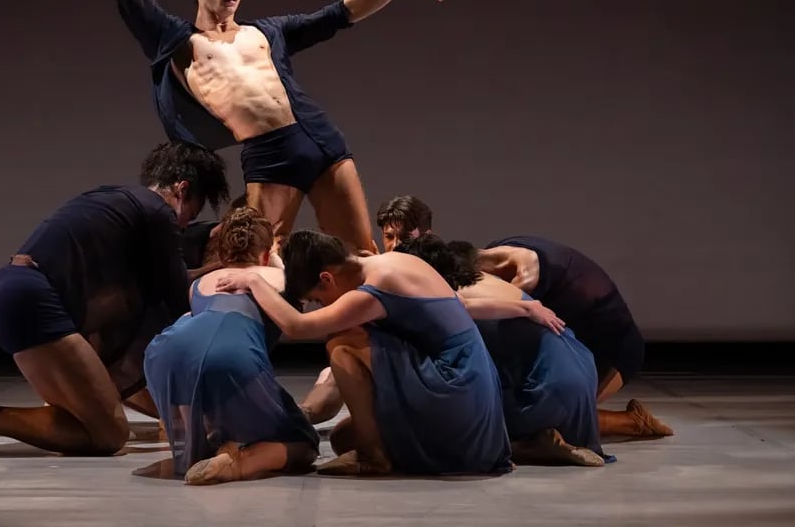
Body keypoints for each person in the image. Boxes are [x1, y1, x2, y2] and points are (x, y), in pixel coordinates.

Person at [19, 0, 448, 255]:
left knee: (359, 253)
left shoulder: (268, 31)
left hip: (322, 138)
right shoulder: (177, 39)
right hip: (269, 153)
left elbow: (340, 13)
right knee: (259, 255)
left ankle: (371, 356)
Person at [0, 142, 229, 456]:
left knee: (92, 408)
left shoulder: (115, 198)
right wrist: (230, 274)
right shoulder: (158, 211)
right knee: (110, 434)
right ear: (182, 189)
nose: (186, 224)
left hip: (8, 291)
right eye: (192, 212)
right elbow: (174, 295)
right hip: (33, 299)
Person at [215, 230, 513, 477]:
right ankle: (373, 448)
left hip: (456, 388)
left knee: (341, 342)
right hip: (475, 396)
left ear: (327, 278)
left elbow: (297, 326)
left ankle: (372, 457)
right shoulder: (391, 261)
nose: (322, 306)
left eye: (318, 299)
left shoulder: (375, 289)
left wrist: (254, 281)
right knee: (343, 437)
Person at [372, 194, 672, 438]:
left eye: (404, 237)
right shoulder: (493, 253)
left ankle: (631, 422)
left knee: (554, 416)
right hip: (578, 340)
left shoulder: (525, 276)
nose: (397, 247)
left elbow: (468, 314)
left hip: (614, 351)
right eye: (389, 237)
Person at [398, 233, 612, 466]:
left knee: (450, 422)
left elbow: (461, 305)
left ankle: (528, 445)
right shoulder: (485, 280)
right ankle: (540, 439)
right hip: (582, 377)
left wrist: (527, 310)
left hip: (554, 392)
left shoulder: (451, 294)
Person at [142, 207, 318, 485]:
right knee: (303, 443)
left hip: (166, 352)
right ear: (265, 253)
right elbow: (295, 298)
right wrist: (276, 261)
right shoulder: (281, 279)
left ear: (222, 255)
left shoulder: (199, 284)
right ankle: (240, 462)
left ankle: (200, 450)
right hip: (233, 356)